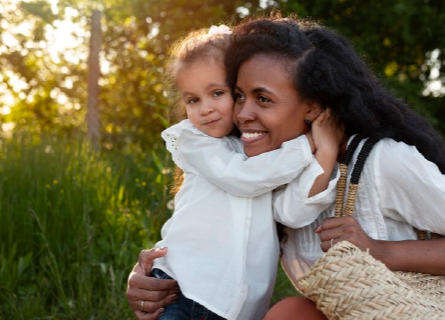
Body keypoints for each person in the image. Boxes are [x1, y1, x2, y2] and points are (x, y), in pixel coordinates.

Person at [127, 14, 445, 320]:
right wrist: (155, 273)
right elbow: (206, 228)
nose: (242, 114)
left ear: (314, 106)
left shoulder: (381, 161)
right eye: (237, 95)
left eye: (263, 99)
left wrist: (381, 250)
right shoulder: (260, 170)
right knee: (291, 313)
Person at [131, 24, 341, 320]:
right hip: (182, 287)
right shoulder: (195, 141)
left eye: (217, 93)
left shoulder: (266, 155)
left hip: (237, 305)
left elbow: (294, 211)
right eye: (193, 99)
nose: (204, 109)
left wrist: (327, 150)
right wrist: (308, 142)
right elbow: (244, 178)